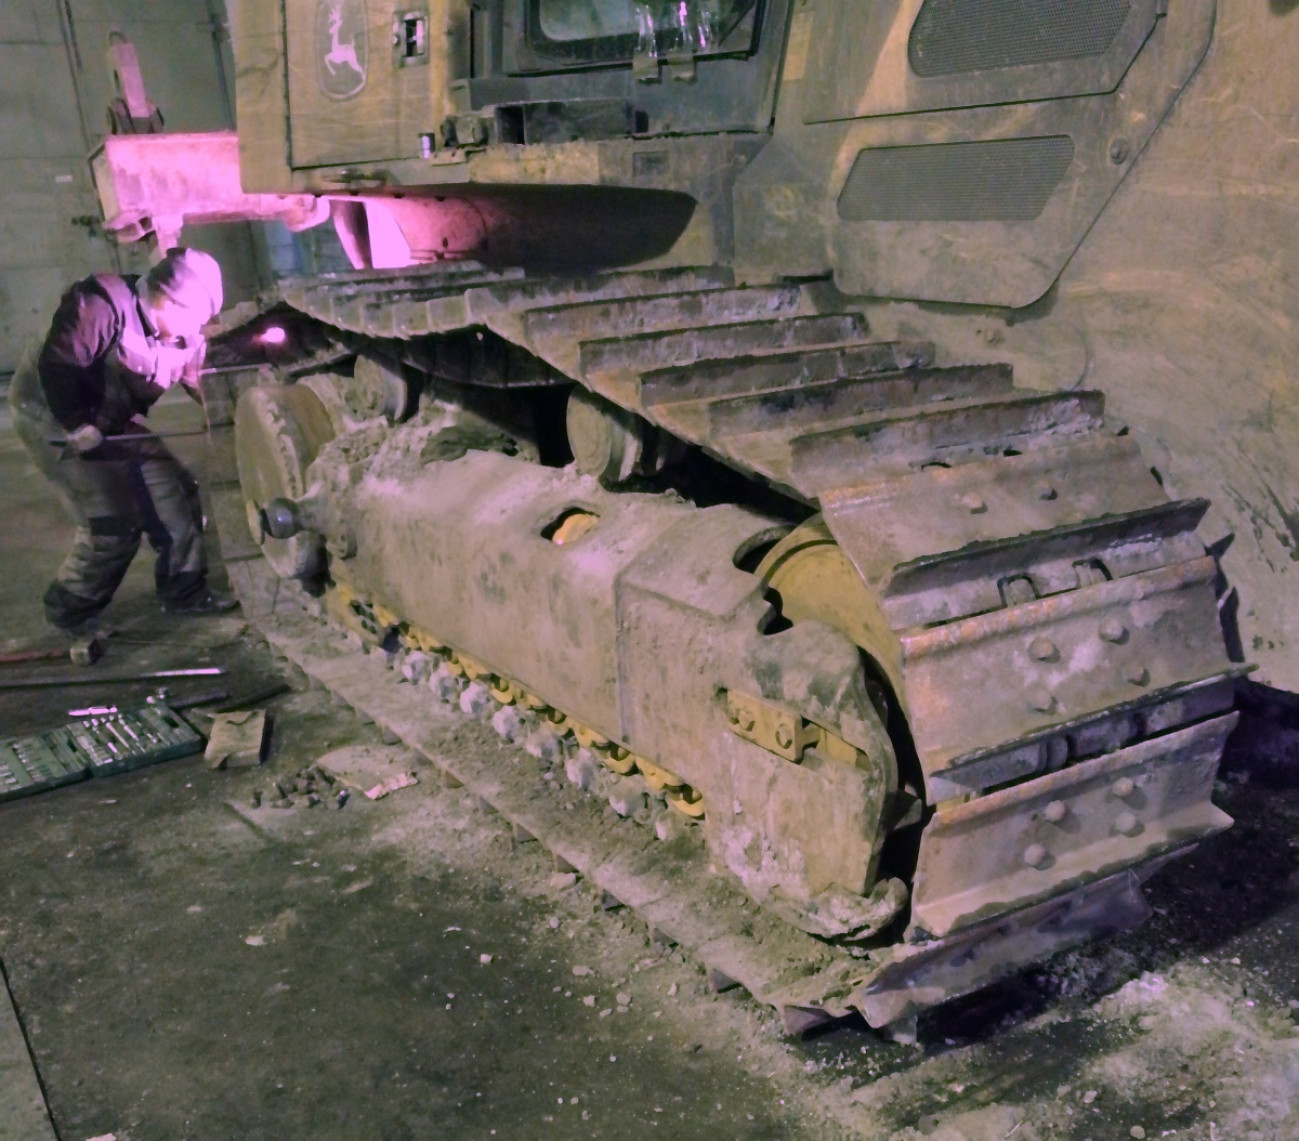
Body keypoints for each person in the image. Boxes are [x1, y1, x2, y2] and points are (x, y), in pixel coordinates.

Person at [7, 247, 238, 632]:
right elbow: (59, 366)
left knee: (175, 490)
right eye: (189, 319)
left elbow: (201, 385)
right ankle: (70, 610)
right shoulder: (101, 306)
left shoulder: (181, 333)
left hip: (109, 416)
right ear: (166, 298)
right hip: (50, 412)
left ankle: (183, 591)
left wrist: (232, 416)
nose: (192, 331)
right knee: (113, 522)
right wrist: (77, 425)